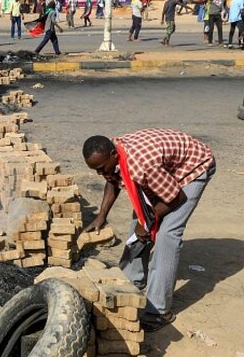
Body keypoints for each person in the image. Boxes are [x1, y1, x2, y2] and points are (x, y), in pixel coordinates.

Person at [81, 129, 215, 332]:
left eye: (101, 168)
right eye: (96, 171)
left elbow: (177, 198)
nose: (100, 174)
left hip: (192, 168)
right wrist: (101, 216)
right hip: (164, 171)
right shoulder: (114, 157)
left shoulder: (140, 166)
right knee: (140, 223)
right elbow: (112, 180)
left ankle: (159, 311)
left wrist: (146, 221)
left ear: (113, 155)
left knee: (167, 234)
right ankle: (129, 283)